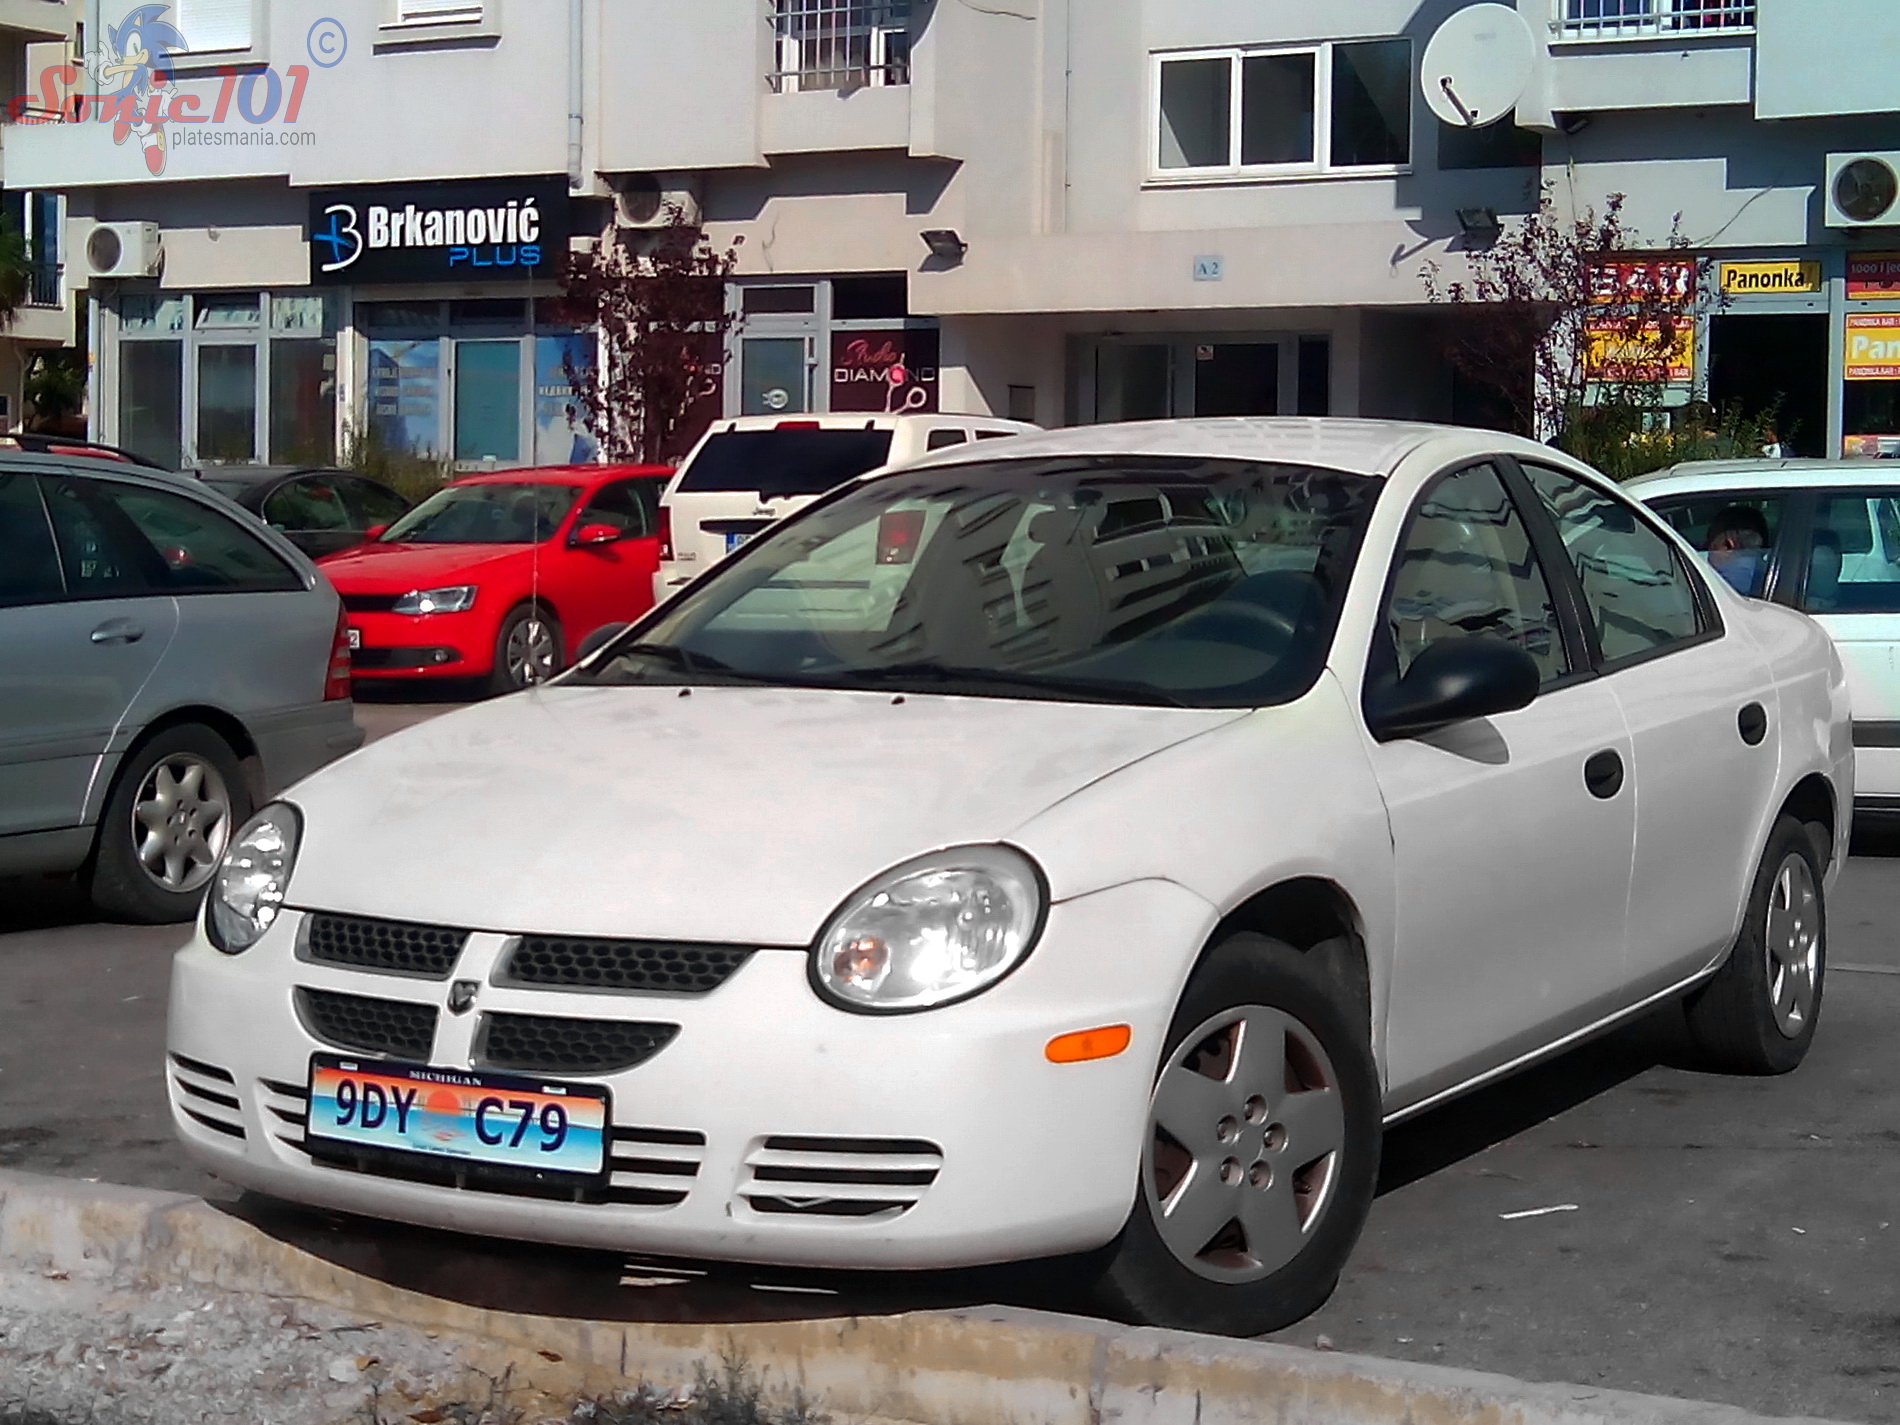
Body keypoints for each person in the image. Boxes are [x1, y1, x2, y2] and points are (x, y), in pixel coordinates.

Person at [1705, 504, 1771, 596]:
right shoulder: (1771, 574)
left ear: (1727, 545)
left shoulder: (1722, 582)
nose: (1708, 556)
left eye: (1712, 547)